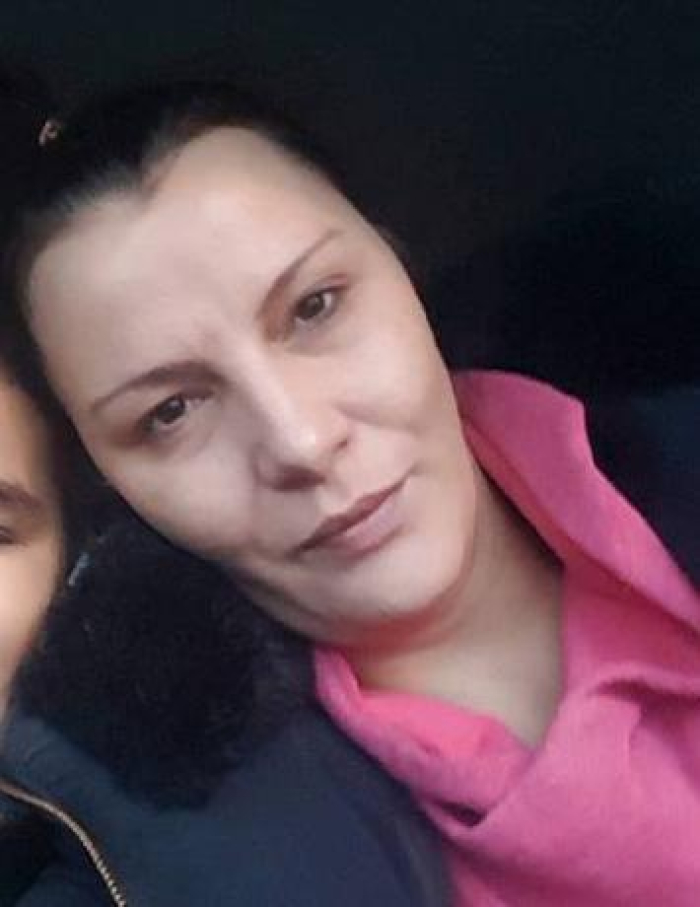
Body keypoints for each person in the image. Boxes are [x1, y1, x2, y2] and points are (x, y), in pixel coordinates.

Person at [4, 77, 699, 905]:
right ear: (110, 489)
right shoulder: (161, 851)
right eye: (171, 412)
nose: (300, 439)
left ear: (399, 259)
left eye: (315, 307)